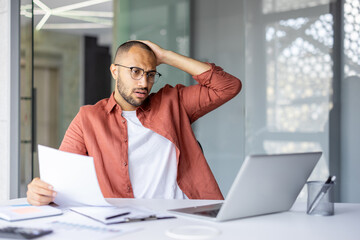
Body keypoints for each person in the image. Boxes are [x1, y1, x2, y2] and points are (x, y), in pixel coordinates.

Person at [27, 40, 242, 206]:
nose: (143, 83)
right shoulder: (88, 119)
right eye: (135, 71)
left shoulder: (173, 103)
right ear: (114, 71)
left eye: (150, 74)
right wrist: (39, 191)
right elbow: (63, 179)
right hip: (128, 225)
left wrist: (166, 56)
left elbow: (228, 86)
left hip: (188, 218)